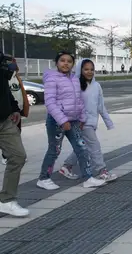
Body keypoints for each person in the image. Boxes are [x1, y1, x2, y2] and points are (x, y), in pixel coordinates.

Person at [37, 51, 106, 190]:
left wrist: (82, 118)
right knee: (54, 150)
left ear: (73, 64)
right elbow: (50, 103)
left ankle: (88, 178)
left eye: (69, 61)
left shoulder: (74, 79)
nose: (66, 63)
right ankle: (43, 178)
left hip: (74, 121)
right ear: (56, 63)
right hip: (57, 121)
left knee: (82, 148)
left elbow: (79, 101)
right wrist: (63, 120)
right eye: (62, 60)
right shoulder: (52, 79)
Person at [58, 59, 118, 182]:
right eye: (86, 69)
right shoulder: (75, 85)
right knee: (95, 146)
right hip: (82, 123)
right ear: (80, 70)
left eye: (91, 69)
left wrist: (108, 122)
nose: (89, 72)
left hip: (92, 122)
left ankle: (66, 166)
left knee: (82, 147)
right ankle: (102, 171)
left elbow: (101, 106)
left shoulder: (97, 86)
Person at [0, 54, 29, 216]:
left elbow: (4, 87)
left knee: (18, 156)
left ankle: (6, 200)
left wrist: (14, 108)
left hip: (5, 121)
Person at [2, 62, 29, 166]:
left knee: (17, 132)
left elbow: (20, 91)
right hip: (7, 110)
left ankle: (15, 154)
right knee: (7, 135)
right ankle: (5, 156)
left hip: (17, 108)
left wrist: (20, 108)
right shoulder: (5, 76)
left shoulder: (16, 76)